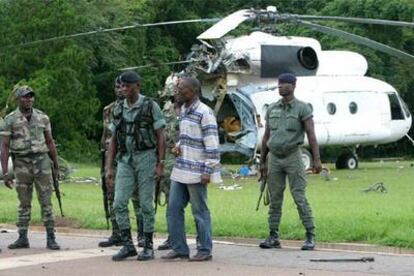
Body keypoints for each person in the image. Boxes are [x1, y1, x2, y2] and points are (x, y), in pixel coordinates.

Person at [106, 71, 166, 261]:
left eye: (127, 86)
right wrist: (109, 167)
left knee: (146, 204)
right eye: (121, 86)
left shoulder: (150, 106)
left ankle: (148, 245)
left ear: (137, 85)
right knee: (119, 203)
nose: (123, 89)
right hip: (125, 160)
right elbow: (113, 139)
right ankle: (127, 245)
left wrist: (160, 163)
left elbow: (161, 136)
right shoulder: (118, 109)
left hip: (146, 157)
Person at [259, 73, 322, 251]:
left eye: (284, 84)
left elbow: (311, 135)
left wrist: (317, 160)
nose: (281, 87)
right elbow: (266, 137)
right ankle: (273, 235)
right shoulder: (272, 109)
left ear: (294, 85)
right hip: (274, 158)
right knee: (275, 199)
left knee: (299, 197)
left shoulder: (302, 108)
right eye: (279, 84)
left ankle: (310, 235)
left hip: (293, 156)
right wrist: (262, 162)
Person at [162, 77, 221, 262]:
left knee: (199, 211)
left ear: (194, 91)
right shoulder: (185, 110)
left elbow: (212, 143)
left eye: (182, 89)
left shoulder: (205, 112)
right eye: (177, 89)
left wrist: (208, 170)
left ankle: (204, 249)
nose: (177, 92)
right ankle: (179, 248)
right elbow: (188, 135)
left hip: (197, 170)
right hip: (181, 168)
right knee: (173, 208)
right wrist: (179, 145)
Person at [0, 85, 61, 250]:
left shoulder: (42, 117)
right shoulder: (10, 120)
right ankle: (22, 237)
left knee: (46, 200)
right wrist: (5, 171)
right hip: (21, 163)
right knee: (24, 201)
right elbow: (4, 146)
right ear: (19, 98)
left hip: (42, 161)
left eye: (31, 96)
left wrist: (56, 164)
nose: (29, 100)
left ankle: (51, 237)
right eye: (25, 97)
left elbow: (50, 141)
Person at [99, 76, 144, 248]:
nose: (119, 89)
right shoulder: (108, 109)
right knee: (111, 195)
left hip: (129, 156)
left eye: (122, 86)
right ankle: (117, 233)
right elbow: (105, 133)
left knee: (137, 196)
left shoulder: (139, 106)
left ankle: (141, 234)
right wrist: (103, 154)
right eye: (117, 86)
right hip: (111, 156)